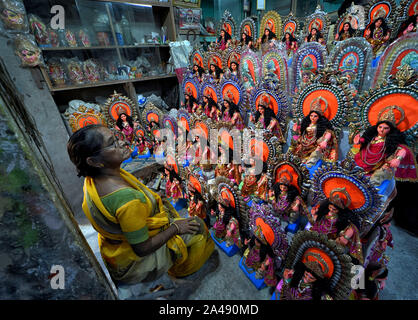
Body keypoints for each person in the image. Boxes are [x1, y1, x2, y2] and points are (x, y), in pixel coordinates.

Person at [67, 125, 214, 284]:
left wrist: (150, 199)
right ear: (94, 161)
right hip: (135, 259)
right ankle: (182, 271)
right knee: (198, 227)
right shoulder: (126, 200)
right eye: (113, 143)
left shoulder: (93, 180)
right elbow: (142, 248)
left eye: (117, 138)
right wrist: (176, 228)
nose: (122, 143)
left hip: (115, 247)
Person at [352, 109, 417, 186]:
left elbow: (403, 150)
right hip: (361, 160)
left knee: (376, 178)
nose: (382, 130)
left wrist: (397, 159)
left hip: (379, 164)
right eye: (380, 127)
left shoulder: (391, 141)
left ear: (390, 130)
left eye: (386, 128)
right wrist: (358, 141)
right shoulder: (371, 137)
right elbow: (363, 140)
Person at [310, 194, 363, 265]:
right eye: (330, 207)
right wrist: (314, 215)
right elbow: (317, 220)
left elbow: (354, 226)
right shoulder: (325, 212)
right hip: (320, 231)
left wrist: (345, 236)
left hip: (332, 237)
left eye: (334, 209)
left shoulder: (341, 219)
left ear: (339, 210)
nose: (331, 210)